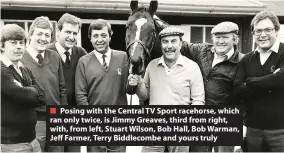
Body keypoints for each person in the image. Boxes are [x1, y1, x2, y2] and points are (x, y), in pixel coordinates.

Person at [128, 26, 205, 153]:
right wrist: (137, 83)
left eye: (173, 41)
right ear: (161, 44)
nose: (169, 46)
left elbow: (198, 100)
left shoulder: (192, 67)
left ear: (181, 43)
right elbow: (144, 96)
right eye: (165, 42)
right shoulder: (152, 66)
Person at [181, 22, 245, 152]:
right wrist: (154, 20)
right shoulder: (202, 50)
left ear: (235, 39)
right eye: (217, 37)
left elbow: (246, 96)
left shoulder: (242, 61)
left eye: (225, 37)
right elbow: (181, 44)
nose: (220, 41)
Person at [234, 10, 284, 152]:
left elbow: (281, 80)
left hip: (281, 131)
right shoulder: (247, 59)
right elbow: (237, 89)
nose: (263, 35)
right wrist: (270, 81)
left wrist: (249, 81)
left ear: (276, 30)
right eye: (258, 31)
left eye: (268, 30)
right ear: (253, 33)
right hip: (253, 130)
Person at [75, 19, 127, 152]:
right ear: (90, 39)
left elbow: (130, 89)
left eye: (103, 35)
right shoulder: (83, 62)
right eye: (95, 36)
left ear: (110, 36)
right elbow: (81, 95)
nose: (100, 40)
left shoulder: (123, 58)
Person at [21, 16, 68, 152]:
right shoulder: (20, 57)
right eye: (39, 34)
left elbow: (62, 89)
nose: (43, 38)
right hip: (33, 122)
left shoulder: (55, 57)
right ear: (30, 35)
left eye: (47, 35)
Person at [1, 24, 45, 152]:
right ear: (2, 46)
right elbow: (22, 95)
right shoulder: (2, 70)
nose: (19, 47)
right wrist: (30, 91)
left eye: (21, 43)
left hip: (32, 140)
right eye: (13, 43)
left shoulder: (24, 69)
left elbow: (42, 97)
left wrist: (26, 91)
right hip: (12, 144)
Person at [47, 13, 87, 152]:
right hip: (52, 116)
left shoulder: (81, 53)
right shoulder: (47, 53)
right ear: (58, 32)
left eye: (75, 33)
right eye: (68, 32)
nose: (71, 37)